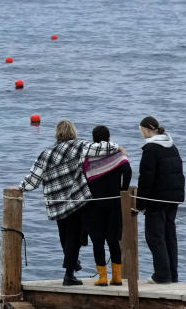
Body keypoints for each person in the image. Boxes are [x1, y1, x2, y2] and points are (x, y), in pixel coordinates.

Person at [18, 120, 124, 286]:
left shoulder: (46, 153)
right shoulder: (80, 146)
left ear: (57, 133)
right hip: (77, 199)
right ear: (73, 132)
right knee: (74, 237)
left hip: (57, 203)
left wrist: (20, 189)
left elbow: (34, 178)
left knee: (65, 236)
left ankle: (71, 265)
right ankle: (69, 272)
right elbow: (104, 147)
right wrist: (118, 148)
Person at [136, 116, 185, 284]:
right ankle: (172, 274)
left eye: (141, 130)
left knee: (154, 236)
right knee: (169, 236)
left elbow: (146, 178)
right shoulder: (172, 146)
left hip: (157, 199)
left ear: (147, 130)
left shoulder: (151, 148)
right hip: (173, 198)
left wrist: (139, 204)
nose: (141, 134)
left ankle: (162, 275)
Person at [82, 125, 132, 286]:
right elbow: (128, 170)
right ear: (109, 139)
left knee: (98, 241)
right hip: (113, 201)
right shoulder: (118, 154)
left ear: (93, 139)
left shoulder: (88, 156)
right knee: (113, 240)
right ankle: (116, 277)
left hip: (94, 203)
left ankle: (102, 277)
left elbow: (81, 175)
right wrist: (123, 189)